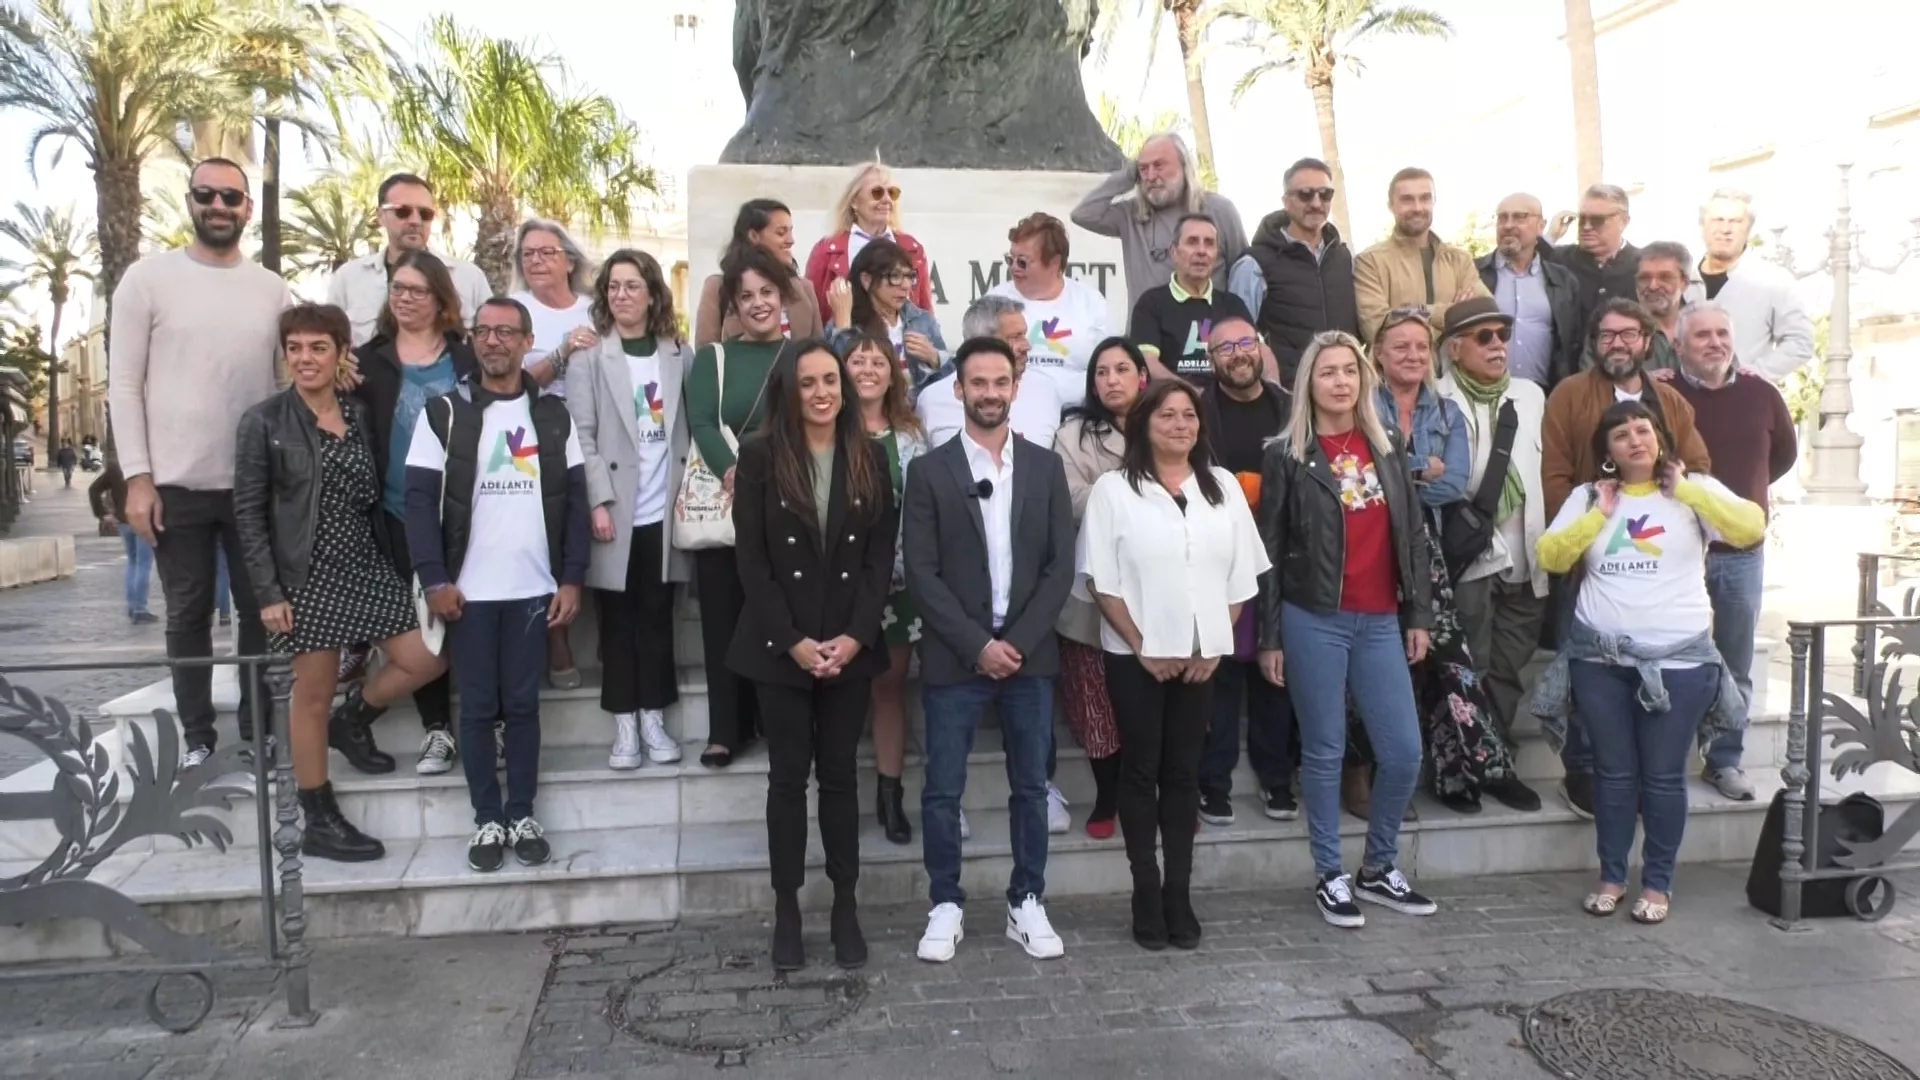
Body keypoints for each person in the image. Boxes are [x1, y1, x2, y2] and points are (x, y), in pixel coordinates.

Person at [234, 303, 449, 861]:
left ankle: (352, 721)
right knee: (310, 697)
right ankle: (318, 815)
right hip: (304, 577)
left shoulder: (356, 413)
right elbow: (249, 515)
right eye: (295, 349)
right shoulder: (265, 421)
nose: (305, 359)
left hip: (364, 562)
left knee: (428, 657)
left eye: (318, 348)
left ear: (339, 354)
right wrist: (268, 594)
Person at [1533, 400, 1760, 924]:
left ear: (1660, 436)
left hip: (1678, 665)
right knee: (1613, 775)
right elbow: (1552, 556)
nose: (1635, 439)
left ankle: (1657, 884)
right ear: (1607, 451)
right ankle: (1612, 875)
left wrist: (1688, 490)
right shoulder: (1588, 497)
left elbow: (1749, 528)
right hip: (1600, 663)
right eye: (1622, 434)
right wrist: (1599, 516)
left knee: (1661, 777)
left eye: (1644, 429)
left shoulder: (1693, 490)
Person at [108, 157, 289, 769]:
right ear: (190, 201)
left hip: (253, 487)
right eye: (207, 194)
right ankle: (196, 736)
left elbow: (284, 380)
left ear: (247, 208)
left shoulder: (271, 289)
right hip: (174, 487)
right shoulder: (146, 279)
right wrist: (137, 478)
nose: (219, 205)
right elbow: (124, 385)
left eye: (231, 196)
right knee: (186, 613)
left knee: (261, 613)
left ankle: (258, 728)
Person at [1256, 330, 1437, 930]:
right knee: (1326, 750)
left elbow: (1411, 536)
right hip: (1315, 619)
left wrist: (1417, 613)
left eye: (1349, 371)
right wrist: (1271, 636)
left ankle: (1378, 867)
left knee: (1404, 752)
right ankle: (1329, 874)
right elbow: (1272, 551)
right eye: (1327, 371)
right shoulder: (1286, 453)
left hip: (1381, 619)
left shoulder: (1386, 447)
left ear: (1364, 380)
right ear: (1308, 382)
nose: (1340, 380)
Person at [404, 296, 589, 874]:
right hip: (470, 593)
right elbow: (416, 502)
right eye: (483, 331)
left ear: (527, 339)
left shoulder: (553, 418)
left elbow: (577, 501)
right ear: (472, 340)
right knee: (479, 708)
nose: (493, 341)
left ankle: (523, 812)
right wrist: (434, 578)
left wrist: (572, 578)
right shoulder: (443, 413)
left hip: (534, 589)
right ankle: (487, 817)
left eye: (506, 332)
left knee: (525, 707)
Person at [728, 339, 897, 973]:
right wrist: (795, 642)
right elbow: (752, 561)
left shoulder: (872, 458)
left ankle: (845, 906)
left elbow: (880, 558)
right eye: (809, 382)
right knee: (786, 780)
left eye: (832, 379)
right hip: (782, 648)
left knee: (840, 778)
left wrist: (855, 637)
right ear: (789, 392)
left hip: (848, 645)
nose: (823, 391)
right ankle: (788, 910)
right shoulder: (761, 458)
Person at [906, 336, 1076, 964]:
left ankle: (1025, 900)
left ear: (1015, 386)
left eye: (999, 382)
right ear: (959, 390)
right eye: (977, 383)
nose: (988, 393)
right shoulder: (929, 471)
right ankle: (944, 903)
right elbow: (922, 573)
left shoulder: (1045, 466)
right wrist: (979, 645)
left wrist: (1018, 644)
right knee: (942, 790)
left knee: (1031, 786)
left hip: (1029, 658)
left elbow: (1060, 568)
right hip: (957, 658)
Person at [1082, 378, 1268, 949]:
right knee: (1141, 771)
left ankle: (1178, 894)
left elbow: (1241, 577)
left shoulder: (1223, 491)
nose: (1180, 424)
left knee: (1184, 773)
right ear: (1143, 424)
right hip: (1136, 657)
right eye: (1167, 415)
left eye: (1189, 416)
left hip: (1200, 661)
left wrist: (1211, 643)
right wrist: (1144, 645)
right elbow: (1101, 581)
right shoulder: (1115, 490)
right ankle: (1145, 889)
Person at [1541, 298, 1712, 817]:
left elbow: (1699, 465)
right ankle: (1584, 772)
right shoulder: (1570, 394)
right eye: (1607, 335)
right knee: (1589, 663)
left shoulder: (1670, 402)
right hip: (1592, 551)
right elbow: (1555, 474)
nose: (1618, 343)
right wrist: (1577, 539)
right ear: (1594, 342)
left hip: (1658, 551)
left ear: (1646, 340)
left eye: (1628, 334)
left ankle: (1639, 774)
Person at [1368, 307, 1531, 816]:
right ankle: (1387, 780)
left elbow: (1453, 482)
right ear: (1377, 354)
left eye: (1421, 346)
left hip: (1430, 552)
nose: (1414, 355)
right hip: (1371, 549)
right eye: (1401, 347)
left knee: (1452, 662)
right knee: (1389, 667)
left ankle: (1468, 771)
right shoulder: (1362, 405)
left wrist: (1402, 472)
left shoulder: (1445, 412)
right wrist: (1417, 468)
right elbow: (1361, 476)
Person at [349, 249, 477, 776]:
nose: (403, 298)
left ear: (441, 300)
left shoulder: (465, 358)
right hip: (397, 513)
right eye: (397, 289)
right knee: (424, 630)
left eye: (416, 290)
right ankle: (436, 730)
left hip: (464, 512)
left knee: (462, 620)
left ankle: (478, 721)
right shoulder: (368, 361)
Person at [1670, 301, 1798, 801]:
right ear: (1680, 344)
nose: (1714, 342)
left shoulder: (1762, 394)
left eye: (1722, 333)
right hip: (1678, 547)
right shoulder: (1663, 394)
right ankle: (1665, 758)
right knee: (1673, 656)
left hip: (1741, 550)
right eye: (1701, 335)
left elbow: (1781, 456)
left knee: (1735, 660)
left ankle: (1723, 760)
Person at [568, 250, 690, 771]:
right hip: (616, 511)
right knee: (616, 621)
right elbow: (583, 436)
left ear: (652, 293)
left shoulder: (678, 355)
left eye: (632, 285)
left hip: (665, 510)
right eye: (613, 287)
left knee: (658, 618)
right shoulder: (590, 359)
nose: (621, 295)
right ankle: (624, 724)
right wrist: (597, 499)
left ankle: (654, 718)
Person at [685, 247, 791, 768]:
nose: (758, 304)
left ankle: (776, 721)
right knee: (723, 616)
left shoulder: (803, 354)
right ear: (732, 305)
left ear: (782, 296)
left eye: (766, 293)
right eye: (746, 296)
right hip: (727, 502)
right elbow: (702, 420)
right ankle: (726, 728)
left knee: (778, 613)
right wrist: (734, 468)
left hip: (787, 501)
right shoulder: (714, 359)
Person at [1437, 300, 1552, 773]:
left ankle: (1495, 754)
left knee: (1509, 666)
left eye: (1502, 335)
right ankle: (1465, 762)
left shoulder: (1532, 395)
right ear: (1455, 348)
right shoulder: (1436, 397)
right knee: (1472, 664)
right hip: (1471, 555)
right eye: (1484, 337)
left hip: (1526, 553)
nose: (1497, 345)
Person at [1194, 317, 1297, 826]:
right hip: (1218, 555)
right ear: (1210, 358)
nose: (1237, 354)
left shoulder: (1291, 405)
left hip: (1282, 553)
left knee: (1274, 671)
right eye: (1224, 347)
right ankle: (1214, 782)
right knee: (1222, 672)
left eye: (1244, 343)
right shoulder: (1197, 408)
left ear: (1260, 348)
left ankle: (1277, 778)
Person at [1052, 338, 1145, 839]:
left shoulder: (1167, 421)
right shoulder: (1074, 434)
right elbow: (1071, 498)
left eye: (1121, 369)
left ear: (1141, 377)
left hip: (1158, 588)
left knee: (1154, 698)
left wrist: (1118, 492)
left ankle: (1150, 792)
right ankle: (1107, 794)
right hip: (1092, 587)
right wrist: (1141, 491)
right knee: (1096, 698)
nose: (1111, 380)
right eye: (1101, 372)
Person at [842, 333, 927, 844]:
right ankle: (839, 795)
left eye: (880, 360)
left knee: (890, 686)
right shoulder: (825, 430)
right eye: (858, 360)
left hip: (896, 583)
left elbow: (922, 510)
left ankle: (890, 793)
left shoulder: (911, 436)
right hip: (839, 589)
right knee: (842, 690)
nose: (869, 368)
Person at [509, 218, 597, 691]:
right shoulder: (514, 310)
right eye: (528, 254)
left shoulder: (595, 309)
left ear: (569, 258)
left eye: (546, 252)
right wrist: (562, 352)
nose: (537, 261)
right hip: (533, 437)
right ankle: (556, 639)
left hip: (589, 435)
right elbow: (512, 384)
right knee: (546, 532)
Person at [1071, 131, 1247, 307]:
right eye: (1143, 169)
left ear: (1184, 166)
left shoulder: (1220, 211)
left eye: (1159, 165)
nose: (1151, 176)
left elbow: (1243, 275)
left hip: (1206, 330)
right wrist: (1127, 175)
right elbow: (1083, 214)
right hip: (1145, 332)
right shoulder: (1132, 215)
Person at [1229, 157, 1359, 388]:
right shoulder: (1254, 264)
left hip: (1344, 390)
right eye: (1306, 194)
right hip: (1289, 394)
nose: (1316, 203)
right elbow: (1238, 335)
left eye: (1325, 194)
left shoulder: (1344, 259)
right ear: (1286, 202)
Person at [326, 172, 492, 347]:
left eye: (425, 213)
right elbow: (326, 337)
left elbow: (492, 337)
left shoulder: (468, 277)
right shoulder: (349, 277)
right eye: (403, 212)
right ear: (381, 215)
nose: (415, 221)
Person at [1689, 189, 1814, 382]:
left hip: (1742, 402)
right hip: (1679, 401)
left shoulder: (1772, 281)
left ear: (1748, 229)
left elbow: (1800, 342)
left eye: (1736, 221)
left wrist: (1750, 376)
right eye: (1717, 220)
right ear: (1701, 226)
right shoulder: (1681, 280)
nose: (1725, 229)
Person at [987, 212, 1113, 402]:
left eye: (1022, 262)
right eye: (1010, 259)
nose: (1013, 267)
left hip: (1080, 414)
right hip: (1015, 410)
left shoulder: (1090, 302)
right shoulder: (994, 301)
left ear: (1054, 263)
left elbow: (1112, 360)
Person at [1353, 168, 1490, 343]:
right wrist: (1449, 313)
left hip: (1454, 368)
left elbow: (1485, 310)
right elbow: (1377, 327)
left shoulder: (1459, 260)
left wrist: (1409, 312)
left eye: (1425, 198)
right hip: (1397, 369)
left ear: (1434, 201)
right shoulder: (1370, 261)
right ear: (1391, 206)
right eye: (1407, 200)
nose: (1417, 208)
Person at [916, 296, 1068, 452]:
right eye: (1014, 338)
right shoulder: (932, 400)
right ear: (980, 341)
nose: (1026, 346)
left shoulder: (1047, 391)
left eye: (1024, 334)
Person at [1127, 214, 1256, 384]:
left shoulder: (1232, 305)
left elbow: (1259, 352)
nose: (1201, 251)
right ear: (1174, 252)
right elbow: (1147, 362)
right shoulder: (1152, 303)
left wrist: (1274, 389)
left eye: (1209, 243)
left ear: (1216, 254)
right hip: (1173, 405)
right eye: (1192, 242)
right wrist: (1193, 396)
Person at [1477, 193, 1585, 390]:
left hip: (1545, 398)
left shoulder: (1563, 280)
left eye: (1520, 217)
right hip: (1483, 394)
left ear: (1541, 226)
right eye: (1503, 217)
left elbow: (1573, 344)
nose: (1508, 225)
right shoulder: (1474, 274)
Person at [803, 161, 933, 319]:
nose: (887, 200)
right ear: (854, 202)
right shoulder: (826, 250)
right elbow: (811, 314)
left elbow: (925, 312)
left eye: (892, 193)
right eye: (877, 193)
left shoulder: (912, 249)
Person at [695, 198, 823, 347]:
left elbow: (818, 352)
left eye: (790, 231)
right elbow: (706, 354)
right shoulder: (717, 287)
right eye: (781, 233)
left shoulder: (804, 288)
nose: (791, 240)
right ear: (753, 236)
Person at [826, 238, 947, 389]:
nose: (906, 286)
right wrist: (843, 326)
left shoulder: (921, 320)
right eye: (895, 277)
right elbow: (838, 381)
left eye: (909, 276)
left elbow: (952, 381)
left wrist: (934, 358)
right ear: (867, 280)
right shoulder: (846, 322)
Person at [1548, 184, 1641, 312]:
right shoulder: (1559, 260)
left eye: (1597, 220)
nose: (1586, 227)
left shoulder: (1643, 265)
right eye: (1582, 219)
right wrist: (1550, 236)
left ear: (1623, 221)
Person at [91, 463, 155, 624]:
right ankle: (140, 607)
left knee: (133, 562)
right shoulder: (147, 466)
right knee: (144, 564)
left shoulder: (117, 467)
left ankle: (132, 606)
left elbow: (94, 489)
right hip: (143, 519)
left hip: (124, 520)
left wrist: (103, 514)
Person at [1629, 241, 1691, 374]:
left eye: (1665, 277)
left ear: (1684, 282)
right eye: (1644, 278)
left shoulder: (1705, 326)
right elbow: (1592, 386)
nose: (1652, 286)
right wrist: (1640, 384)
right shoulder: (1613, 329)